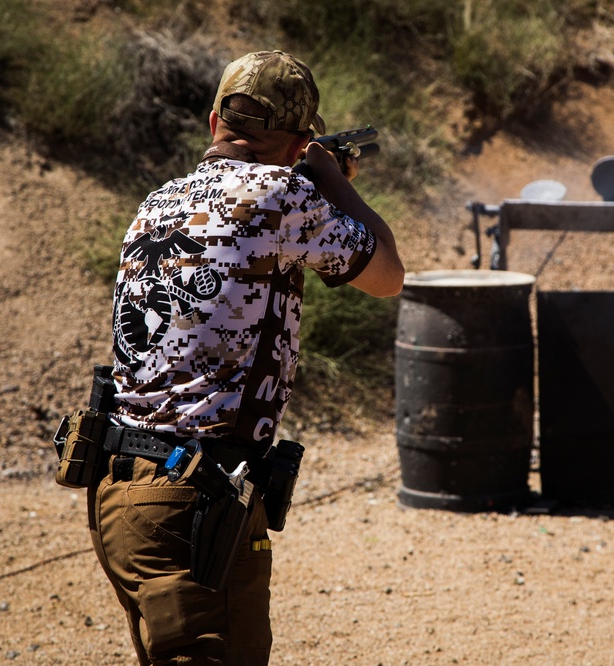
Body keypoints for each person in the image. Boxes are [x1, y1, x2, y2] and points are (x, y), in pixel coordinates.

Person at [87, 50, 404, 665]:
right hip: (194, 499)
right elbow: (388, 273)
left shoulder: (157, 203)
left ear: (214, 125)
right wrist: (329, 177)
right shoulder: (285, 192)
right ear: (300, 140)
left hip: (121, 494)